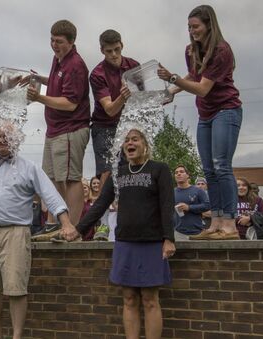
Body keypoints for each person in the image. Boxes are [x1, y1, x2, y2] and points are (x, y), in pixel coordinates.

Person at [0, 122, 76, 339]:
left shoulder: (29, 167)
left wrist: (66, 223)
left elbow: (50, 195)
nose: (1, 140)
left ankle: (17, 336)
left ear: (16, 139)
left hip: (16, 232)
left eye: (6, 136)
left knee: (16, 288)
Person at [74, 128, 175, 339]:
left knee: (150, 299)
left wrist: (168, 239)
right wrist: (78, 230)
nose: (130, 143)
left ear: (145, 145)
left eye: (135, 139)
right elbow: (100, 204)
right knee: (129, 298)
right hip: (124, 243)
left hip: (152, 242)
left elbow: (167, 205)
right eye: (127, 140)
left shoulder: (160, 169)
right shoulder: (118, 173)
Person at [158, 5, 242, 240]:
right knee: (208, 169)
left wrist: (173, 78)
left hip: (226, 110)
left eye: (196, 26)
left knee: (221, 165)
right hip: (205, 115)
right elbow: (193, 76)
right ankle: (215, 222)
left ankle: (229, 223)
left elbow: (203, 89)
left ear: (209, 25)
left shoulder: (222, 51)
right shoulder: (191, 50)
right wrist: (172, 90)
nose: (192, 31)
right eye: (189, 27)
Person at [27, 19, 90, 229]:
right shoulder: (59, 59)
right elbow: (57, 82)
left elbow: (71, 103)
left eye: (60, 41)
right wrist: (36, 78)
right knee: (53, 178)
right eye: (52, 40)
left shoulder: (76, 65)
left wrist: (39, 98)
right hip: (54, 130)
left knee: (71, 179)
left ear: (72, 42)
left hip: (71, 129)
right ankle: (57, 223)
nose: (54, 45)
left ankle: (73, 227)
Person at [89, 29, 140, 187]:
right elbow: (110, 109)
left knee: (133, 168)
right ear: (102, 50)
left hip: (127, 124)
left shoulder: (134, 66)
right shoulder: (97, 74)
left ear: (122, 46)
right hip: (104, 126)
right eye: (109, 51)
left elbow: (142, 98)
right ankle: (105, 209)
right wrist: (123, 96)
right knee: (108, 171)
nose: (114, 54)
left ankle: (128, 207)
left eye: (117, 49)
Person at [173, 166, 214, 240]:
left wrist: (189, 207)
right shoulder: (171, 192)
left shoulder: (198, 190)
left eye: (181, 172)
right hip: (177, 232)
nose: (178, 174)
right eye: (176, 173)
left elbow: (207, 205)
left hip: (197, 232)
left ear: (188, 175)